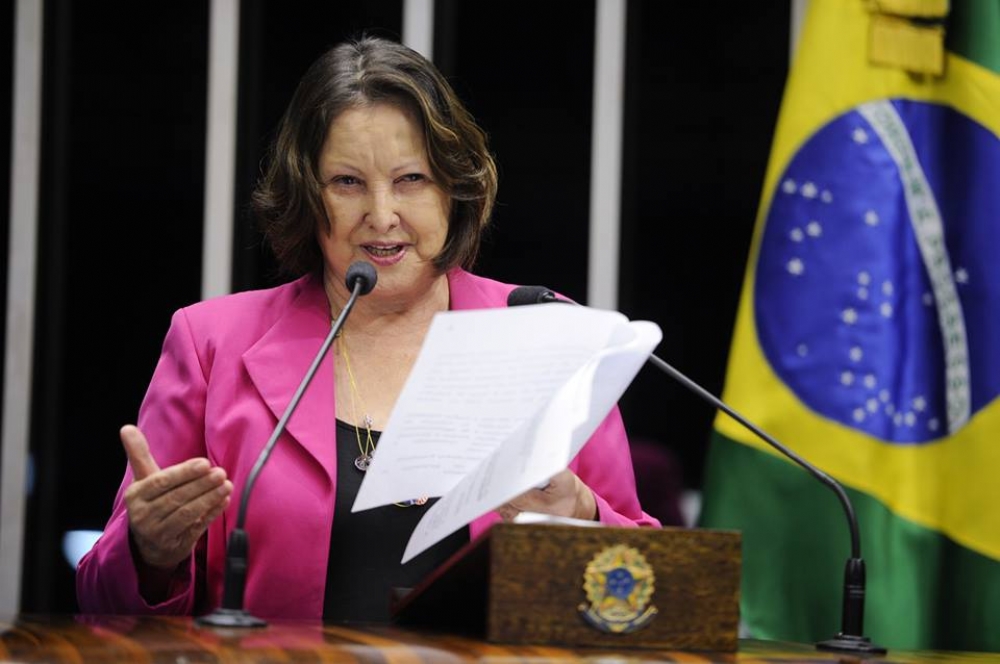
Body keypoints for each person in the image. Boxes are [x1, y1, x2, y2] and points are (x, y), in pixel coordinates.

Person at [76, 35, 659, 622]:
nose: (381, 214)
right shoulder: (212, 343)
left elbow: (647, 593)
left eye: (411, 179)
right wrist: (148, 554)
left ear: (454, 187)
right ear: (307, 195)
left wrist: (583, 515)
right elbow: (101, 602)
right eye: (348, 183)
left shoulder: (545, 335)